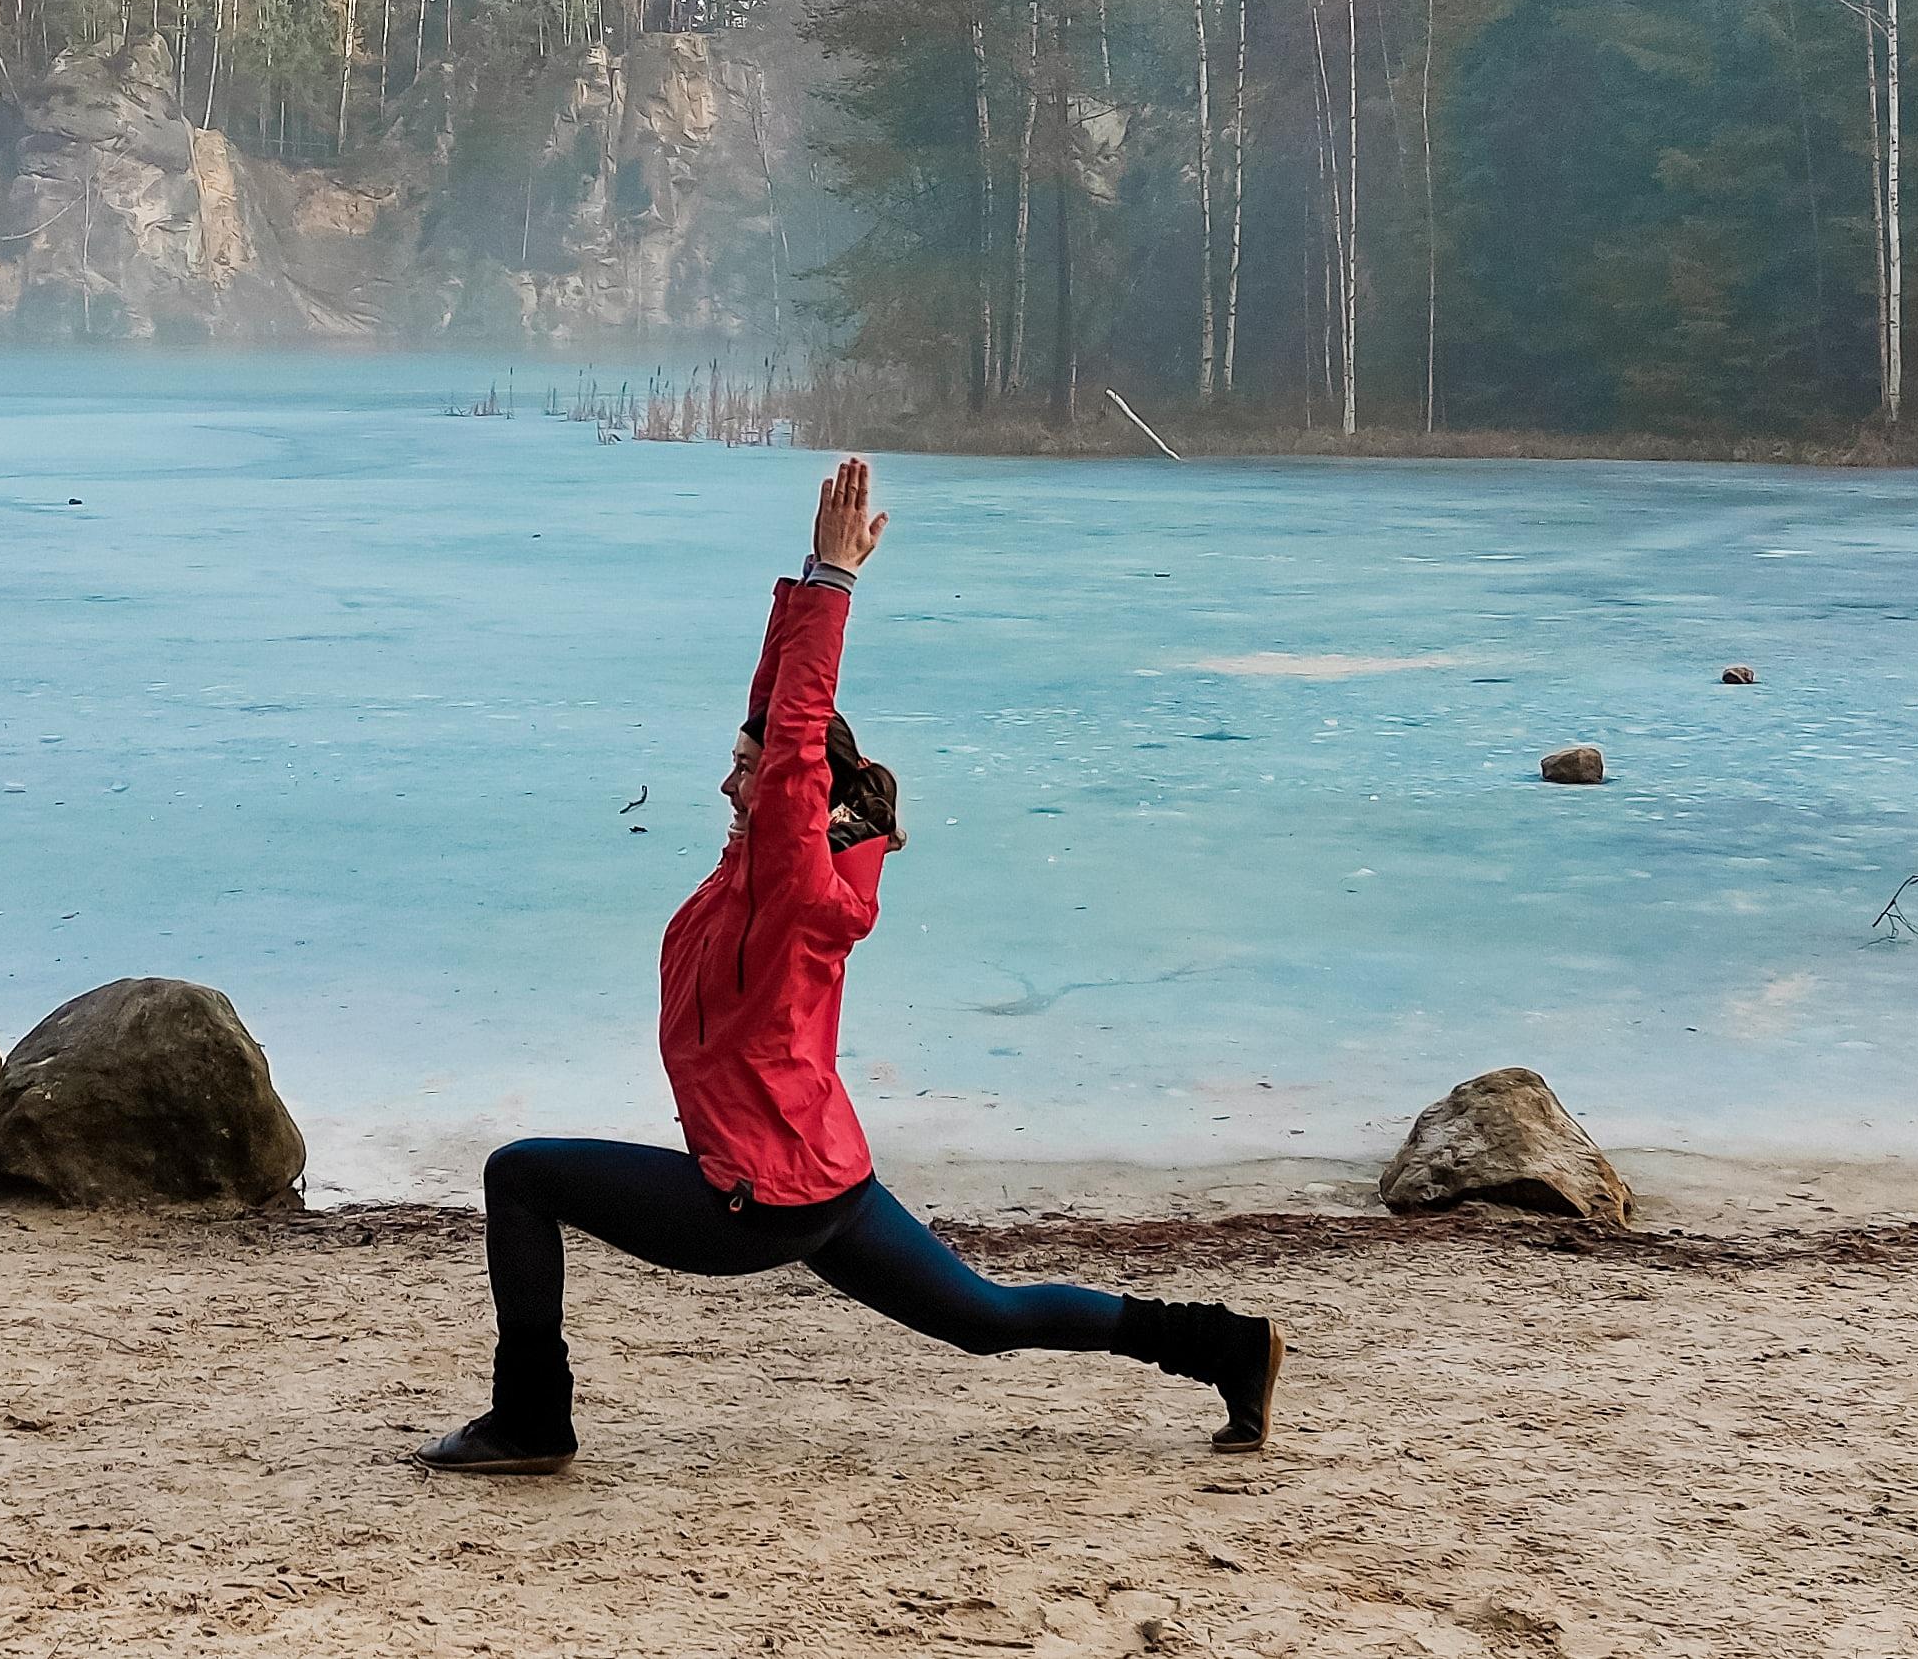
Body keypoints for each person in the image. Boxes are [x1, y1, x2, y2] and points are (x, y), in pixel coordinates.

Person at [418, 457, 1283, 1475]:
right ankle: (1228, 1344)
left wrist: (837, 587)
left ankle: (531, 1421)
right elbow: (777, 716)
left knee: (519, 1175)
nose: (727, 782)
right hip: (821, 1176)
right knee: (984, 1318)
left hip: (753, 1200)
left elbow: (788, 741)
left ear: (795, 795)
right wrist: (804, 579)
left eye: (745, 773)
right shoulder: (772, 861)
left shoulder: (788, 886)